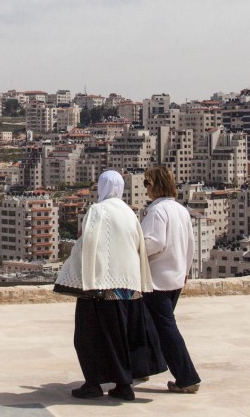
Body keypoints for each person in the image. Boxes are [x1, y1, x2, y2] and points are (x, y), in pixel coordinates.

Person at [54, 170, 165, 401]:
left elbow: (89, 242)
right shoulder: (128, 212)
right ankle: (124, 385)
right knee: (122, 339)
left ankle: (93, 384)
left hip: (101, 288)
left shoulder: (98, 210)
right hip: (130, 286)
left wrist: (74, 268)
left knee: (89, 338)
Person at [141, 166, 202, 394]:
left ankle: (187, 377)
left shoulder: (156, 212)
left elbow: (153, 242)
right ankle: (142, 367)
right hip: (175, 277)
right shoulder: (180, 210)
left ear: (155, 184)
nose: (145, 188)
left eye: (147, 183)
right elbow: (190, 244)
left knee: (166, 330)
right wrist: (184, 270)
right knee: (153, 327)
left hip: (156, 280)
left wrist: (131, 249)